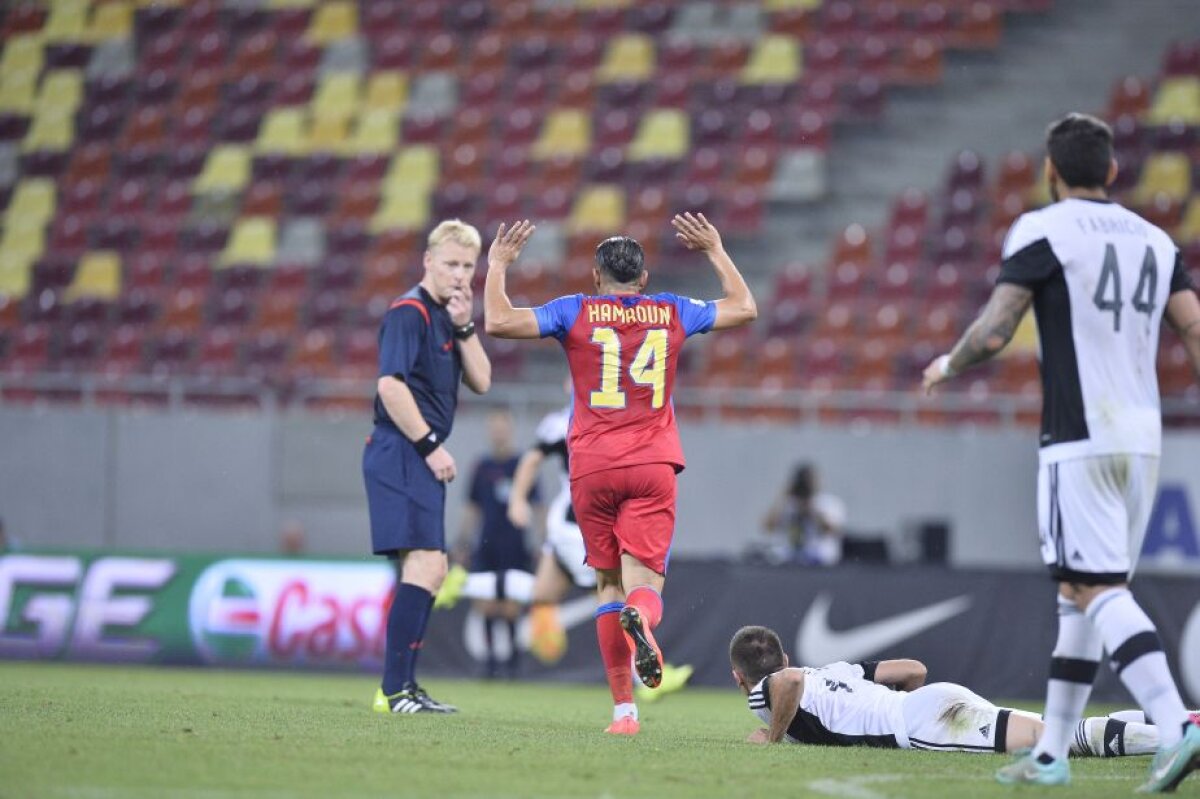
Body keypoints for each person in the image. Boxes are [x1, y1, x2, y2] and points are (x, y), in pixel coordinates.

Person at [922, 113, 1200, 791]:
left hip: (1077, 439)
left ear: (1051, 172)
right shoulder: (1157, 242)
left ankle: (1176, 726)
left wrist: (947, 365)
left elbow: (994, 332)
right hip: (1143, 441)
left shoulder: (1044, 229)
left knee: (1091, 587)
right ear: (1111, 171)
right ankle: (1051, 753)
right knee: (1078, 600)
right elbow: (1194, 328)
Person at [484, 212, 757, 735]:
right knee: (644, 585)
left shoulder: (574, 310)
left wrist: (498, 264)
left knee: (606, 585)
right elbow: (745, 308)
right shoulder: (672, 310)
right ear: (644, 280)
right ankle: (645, 623)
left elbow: (498, 321)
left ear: (594, 275)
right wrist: (715, 249)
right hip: (652, 463)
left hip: (591, 467)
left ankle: (624, 712)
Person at [364, 218, 491, 715]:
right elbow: (390, 386)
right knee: (426, 564)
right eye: (451, 264)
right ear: (428, 263)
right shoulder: (409, 312)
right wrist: (430, 444)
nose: (460, 274)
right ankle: (394, 691)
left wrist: (465, 325)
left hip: (415, 454)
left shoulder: (447, 316)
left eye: (467, 266)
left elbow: (482, 379)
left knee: (431, 569)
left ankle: (403, 688)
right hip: (402, 449)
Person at [730, 625, 1164, 759]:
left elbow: (785, 684)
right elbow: (914, 669)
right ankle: (1181, 723)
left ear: (738, 677)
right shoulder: (833, 670)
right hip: (930, 702)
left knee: (1061, 741)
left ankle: (1177, 738)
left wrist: (772, 738)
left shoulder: (767, 688)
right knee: (1059, 731)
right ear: (786, 655)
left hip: (925, 722)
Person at [456, 408, 534, 679]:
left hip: (514, 543)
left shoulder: (523, 465)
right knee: (486, 603)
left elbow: (538, 505)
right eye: (495, 427)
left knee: (512, 606)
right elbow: (472, 506)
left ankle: (513, 661)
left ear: (510, 430)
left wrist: (543, 542)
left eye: (503, 427)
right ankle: (489, 663)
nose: (499, 432)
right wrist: (463, 541)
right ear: (490, 431)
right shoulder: (481, 466)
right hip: (487, 542)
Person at [761, 463, 847, 566]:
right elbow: (768, 527)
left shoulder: (829, 503)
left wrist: (811, 508)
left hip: (820, 557)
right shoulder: (788, 504)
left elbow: (833, 531)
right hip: (790, 556)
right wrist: (782, 497)